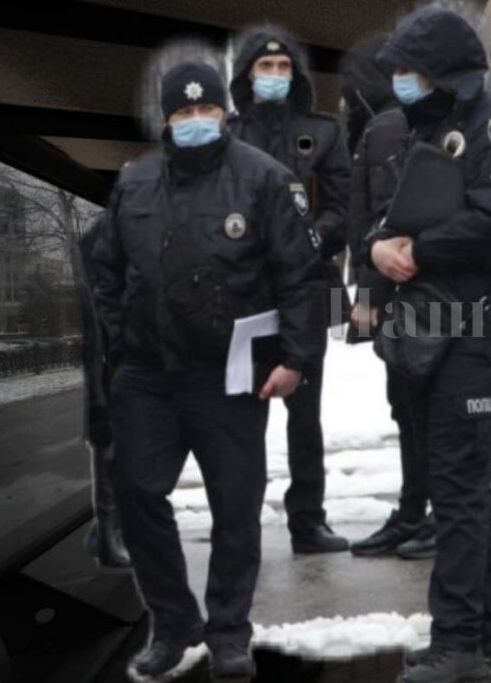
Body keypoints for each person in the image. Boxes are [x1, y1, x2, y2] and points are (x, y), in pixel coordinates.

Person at [90, 59, 326, 681]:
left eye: (206, 110)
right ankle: (173, 624)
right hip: (148, 376)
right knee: (137, 492)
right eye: (182, 112)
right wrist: (123, 339)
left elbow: (301, 277)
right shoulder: (134, 184)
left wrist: (295, 359)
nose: (195, 121)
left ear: (225, 113)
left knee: (235, 507)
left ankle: (228, 631)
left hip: (228, 377)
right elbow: (107, 273)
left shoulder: (264, 179)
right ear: (166, 119)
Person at [364, 5, 491, 683]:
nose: (401, 81)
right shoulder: (430, 132)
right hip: (436, 327)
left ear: (442, 69)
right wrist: (380, 248)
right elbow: (388, 222)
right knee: (465, 487)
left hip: (472, 328)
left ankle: (457, 645)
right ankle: (489, 637)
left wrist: (414, 250)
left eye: (409, 69)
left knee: (459, 491)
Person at [227, 26, 352, 554]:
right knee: (241, 420)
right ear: (246, 75)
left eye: (283, 68)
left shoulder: (323, 132)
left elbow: (345, 205)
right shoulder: (223, 134)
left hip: (305, 292)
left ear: (295, 76)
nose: (275, 76)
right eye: (264, 67)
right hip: (244, 301)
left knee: (305, 419)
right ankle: (239, 528)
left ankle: (308, 522)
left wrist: (314, 237)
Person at [340, 37, 436, 561]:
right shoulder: (381, 130)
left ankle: (426, 517)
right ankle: (414, 515)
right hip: (407, 298)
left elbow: (383, 220)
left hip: (416, 298)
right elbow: (367, 223)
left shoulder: (389, 128)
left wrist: (369, 295)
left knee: (419, 411)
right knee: (410, 410)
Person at [76, 216, 131, 570]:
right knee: (111, 450)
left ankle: (110, 532)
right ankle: (109, 538)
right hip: (106, 368)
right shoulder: (100, 241)